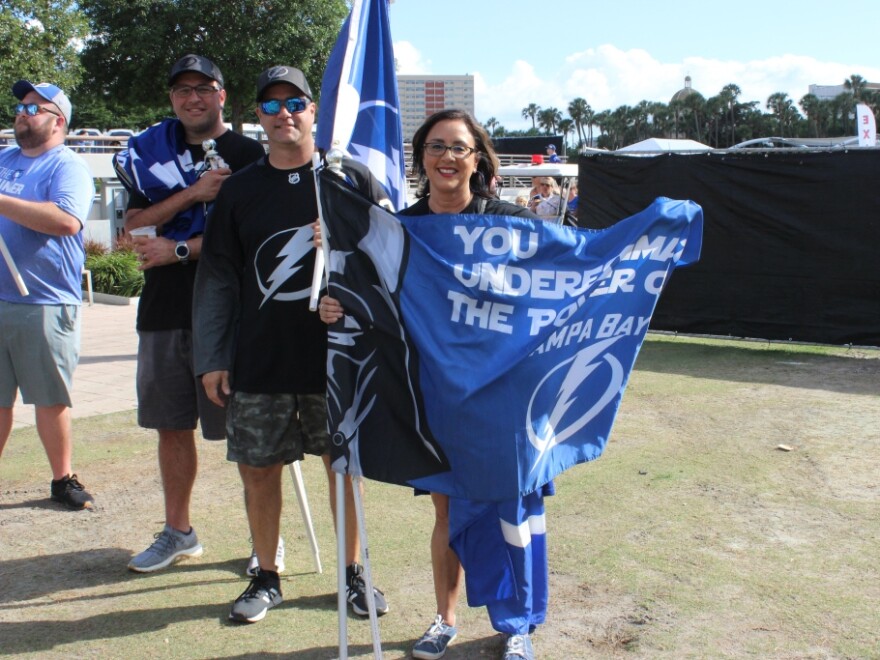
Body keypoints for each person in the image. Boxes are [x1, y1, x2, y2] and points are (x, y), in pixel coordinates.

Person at [319, 109, 543, 660]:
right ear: (421, 157)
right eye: (436, 146)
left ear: (478, 159)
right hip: (435, 398)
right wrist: (335, 305)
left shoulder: (513, 224)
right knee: (448, 514)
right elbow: (368, 296)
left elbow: (555, 285)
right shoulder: (398, 230)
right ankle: (445, 619)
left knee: (511, 510)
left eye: (459, 148)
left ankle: (517, 626)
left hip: (503, 399)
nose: (447, 156)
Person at [193, 65, 391, 624]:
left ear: (313, 110)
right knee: (258, 470)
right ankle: (266, 575)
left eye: (295, 103)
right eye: (272, 105)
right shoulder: (239, 191)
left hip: (338, 360)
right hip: (258, 358)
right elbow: (218, 279)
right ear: (258, 115)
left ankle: (353, 575)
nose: (285, 114)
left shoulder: (349, 180)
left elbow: (394, 259)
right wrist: (211, 357)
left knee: (342, 469)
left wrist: (347, 245)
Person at [113, 55, 266, 573]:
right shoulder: (153, 150)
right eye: (182, 90)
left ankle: (264, 541)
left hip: (231, 312)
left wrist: (180, 249)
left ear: (223, 94)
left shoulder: (249, 153)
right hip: (163, 310)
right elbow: (134, 225)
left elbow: (257, 239)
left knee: (247, 432)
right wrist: (194, 194)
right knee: (170, 426)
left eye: (203, 88)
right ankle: (179, 531)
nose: (192, 98)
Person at [0, 80, 95, 509]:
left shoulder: (67, 166)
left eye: (35, 107)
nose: (23, 112)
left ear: (58, 121)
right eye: (21, 106)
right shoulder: (3, 159)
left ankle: (62, 478)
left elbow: (66, 221)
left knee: (50, 397)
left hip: (43, 301)